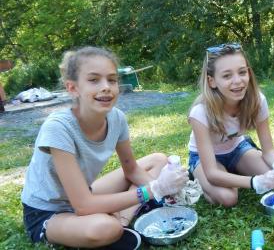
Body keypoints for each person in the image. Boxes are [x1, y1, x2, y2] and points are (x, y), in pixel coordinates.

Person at [21, 46, 189, 249]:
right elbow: (82, 206)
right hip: (49, 210)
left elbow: (132, 170)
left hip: (86, 192)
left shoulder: (116, 118)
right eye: (94, 80)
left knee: (158, 161)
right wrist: (155, 188)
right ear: (73, 88)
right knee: (103, 228)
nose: (106, 86)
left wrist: (168, 191)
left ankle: (123, 221)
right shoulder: (58, 127)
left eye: (112, 79)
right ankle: (113, 223)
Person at [188, 43, 274, 207]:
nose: (238, 81)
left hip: (237, 149)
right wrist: (255, 182)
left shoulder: (258, 101)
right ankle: (200, 179)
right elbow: (212, 173)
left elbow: (269, 150)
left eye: (242, 72)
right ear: (212, 81)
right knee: (228, 198)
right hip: (204, 160)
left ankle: (232, 173)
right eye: (227, 76)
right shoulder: (200, 113)